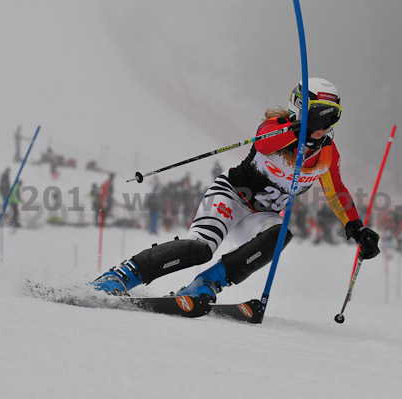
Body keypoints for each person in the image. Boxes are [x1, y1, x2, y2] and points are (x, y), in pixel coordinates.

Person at [91, 78, 380, 302]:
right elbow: (264, 143)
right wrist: (299, 129)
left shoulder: (328, 154)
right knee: (200, 248)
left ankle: (206, 284)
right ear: (302, 108)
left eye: (333, 117)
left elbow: (336, 193)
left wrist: (356, 228)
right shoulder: (276, 127)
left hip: (262, 214)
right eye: (320, 115)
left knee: (281, 235)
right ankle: (123, 275)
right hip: (230, 196)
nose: (325, 125)